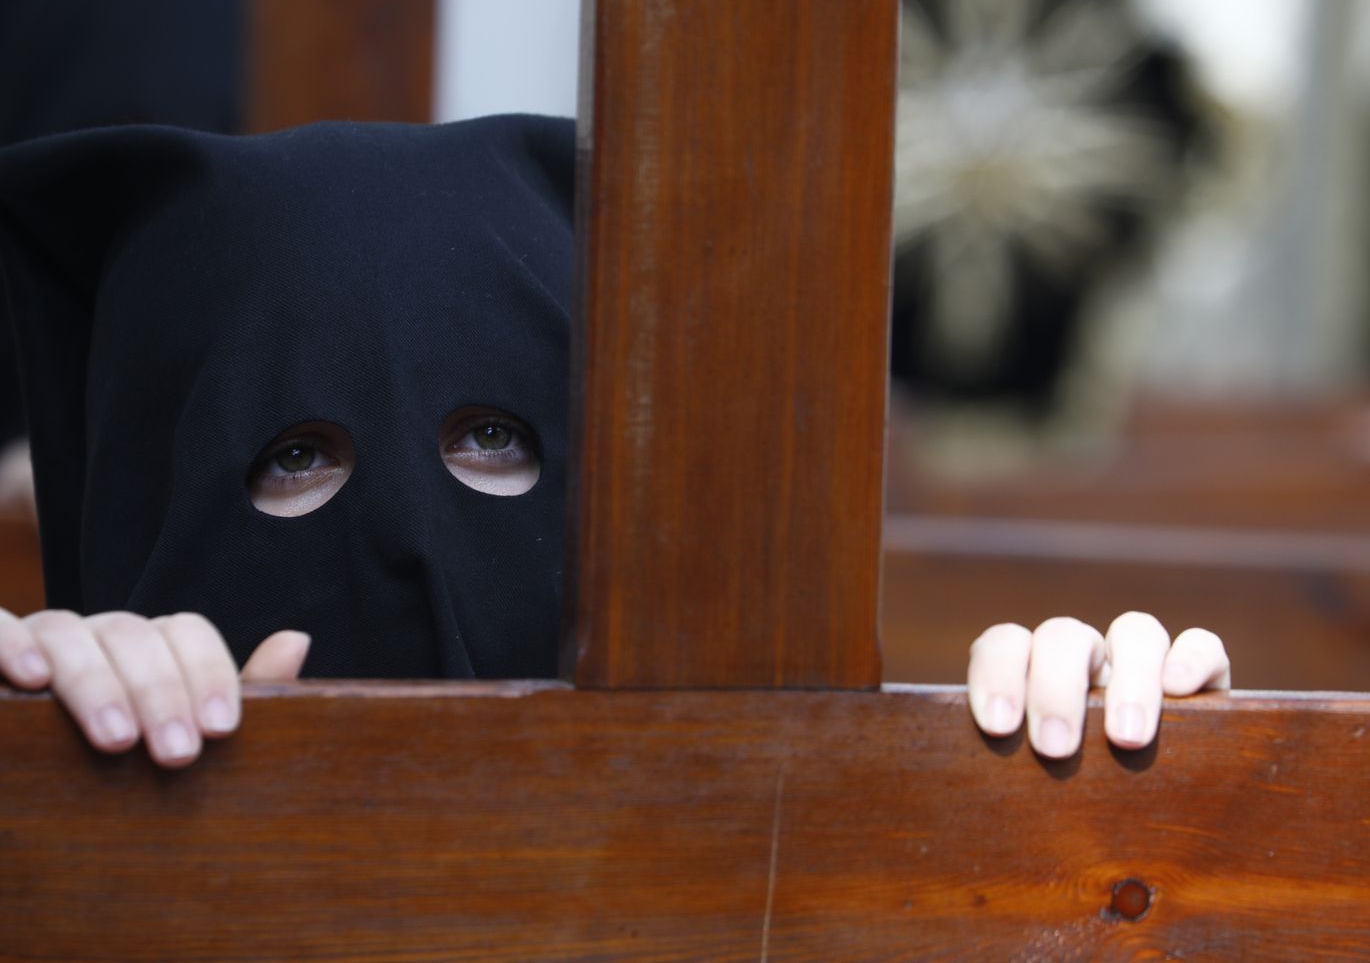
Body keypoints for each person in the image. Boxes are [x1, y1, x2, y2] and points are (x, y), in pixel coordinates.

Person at [0, 115, 1230, 769]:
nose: (413, 547)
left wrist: (1085, 792)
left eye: (492, 436)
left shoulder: (772, 863)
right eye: (292, 456)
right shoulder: (59, 815)